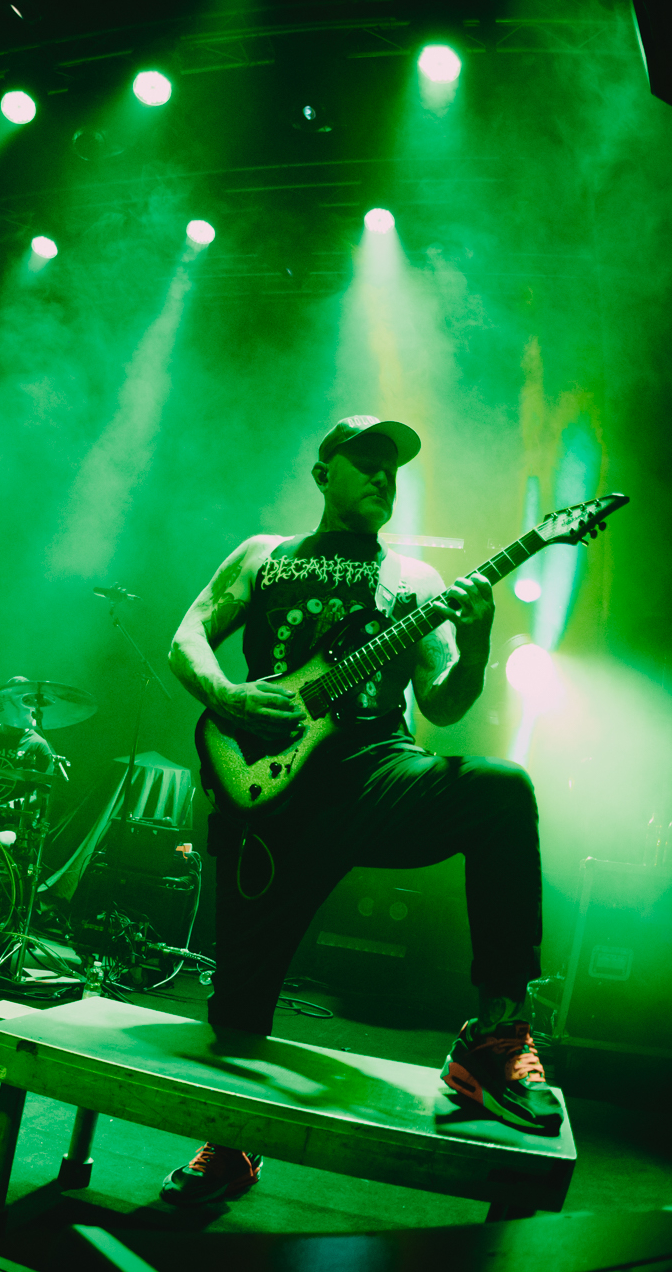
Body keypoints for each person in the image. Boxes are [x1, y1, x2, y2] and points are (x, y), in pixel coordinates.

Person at [159, 415, 552, 1208]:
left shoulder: (414, 582)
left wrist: (477, 644)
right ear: (322, 473)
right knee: (240, 993)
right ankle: (230, 1144)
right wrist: (228, 695)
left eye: (392, 467)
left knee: (501, 789)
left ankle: (493, 1038)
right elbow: (187, 636)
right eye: (365, 461)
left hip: (376, 771)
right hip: (271, 788)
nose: (382, 476)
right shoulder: (263, 554)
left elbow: (443, 703)